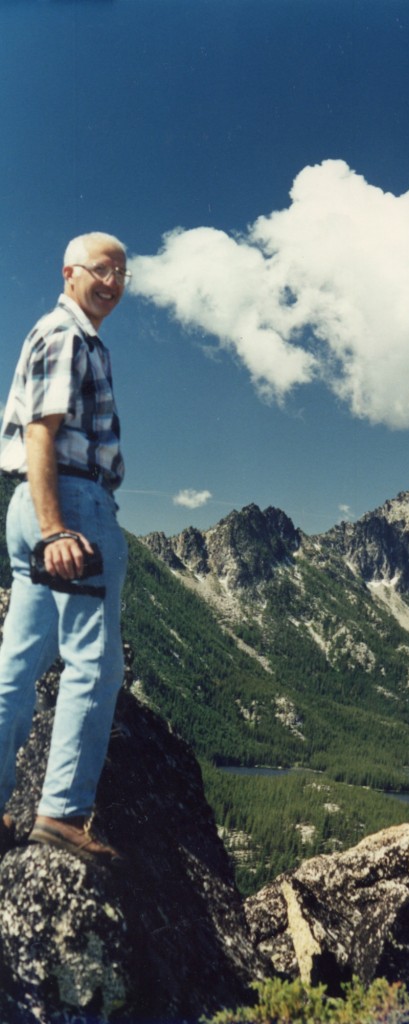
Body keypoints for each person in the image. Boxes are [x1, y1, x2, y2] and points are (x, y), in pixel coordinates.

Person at [0, 232, 130, 866]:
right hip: (69, 503)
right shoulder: (66, 335)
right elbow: (40, 432)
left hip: (31, 503)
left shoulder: (67, 335)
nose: (113, 281)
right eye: (102, 269)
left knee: (17, 668)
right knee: (94, 665)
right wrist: (57, 529)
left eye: (122, 273)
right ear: (70, 271)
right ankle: (61, 816)